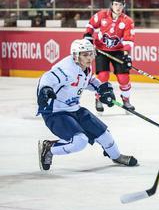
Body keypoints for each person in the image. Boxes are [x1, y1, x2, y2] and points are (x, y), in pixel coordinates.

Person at [36, 39, 138, 171]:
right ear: (75, 55)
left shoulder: (85, 67)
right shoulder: (66, 69)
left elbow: (89, 81)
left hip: (75, 109)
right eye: (85, 54)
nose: (89, 58)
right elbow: (47, 78)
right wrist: (45, 90)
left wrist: (101, 88)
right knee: (79, 142)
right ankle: (49, 148)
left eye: (91, 54)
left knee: (105, 135)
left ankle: (116, 156)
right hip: (56, 113)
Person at [83, 0, 135, 113]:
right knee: (103, 77)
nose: (118, 7)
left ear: (124, 6)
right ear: (112, 5)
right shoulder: (102, 15)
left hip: (118, 51)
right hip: (101, 51)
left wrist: (126, 56)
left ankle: (126, 100)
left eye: (120, 5)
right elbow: (91, 25)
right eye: (116, 4)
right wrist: (88, 36)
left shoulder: (127, 21)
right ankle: (98, 99)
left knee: (123, 78)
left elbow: (128, 40)